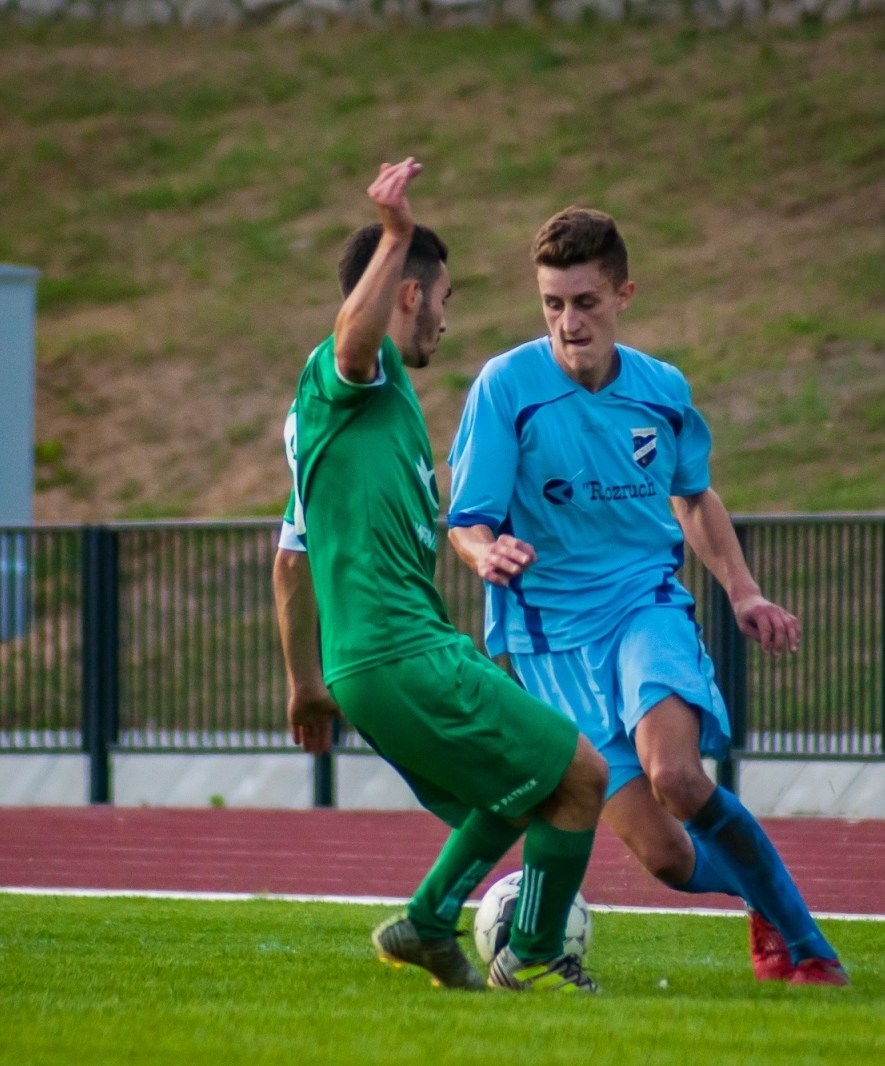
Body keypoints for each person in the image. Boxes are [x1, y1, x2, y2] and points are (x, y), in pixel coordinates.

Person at [445, 206, 848, 986]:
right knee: (666, 857)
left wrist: (744, 593)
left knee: (678, 779)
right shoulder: (507, 387)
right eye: (552, 304)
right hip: (551, 644)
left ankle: (811, 950)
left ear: (623, 295)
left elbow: (692, 497)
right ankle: (760, 895)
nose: (569, 323)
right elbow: (467, 519)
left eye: (585, 302)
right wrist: (484, 551)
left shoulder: (661, 390)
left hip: (644, 608)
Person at [271, 162, 608, 994]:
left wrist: (307, 685)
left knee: (514, 792)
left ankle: (427, 924)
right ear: (410, 295)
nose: (448, 320)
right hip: (400, 652)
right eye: (445, 299)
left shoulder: (341, 427)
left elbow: (290, 560)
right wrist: (396, 233)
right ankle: (535, 961)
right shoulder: (352, 376)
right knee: (581, 777)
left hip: (369, 667)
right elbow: (352, 342)